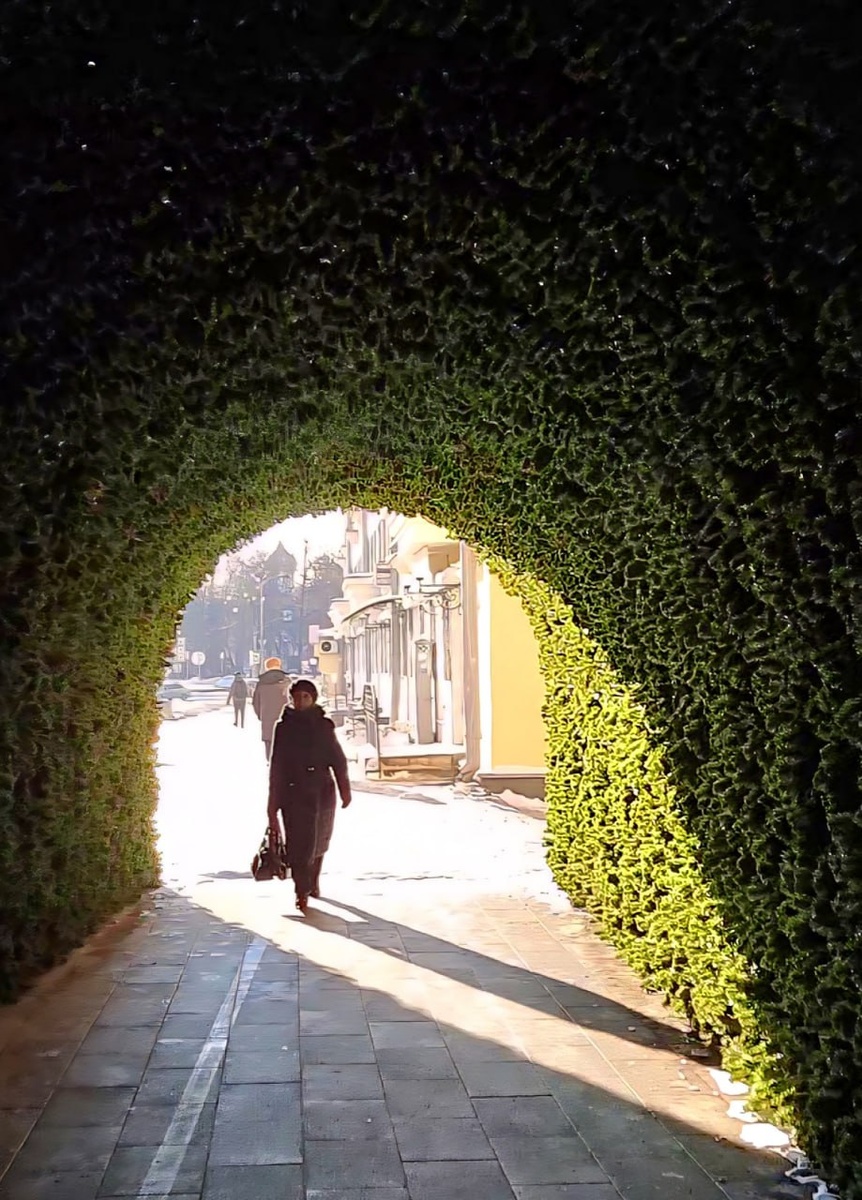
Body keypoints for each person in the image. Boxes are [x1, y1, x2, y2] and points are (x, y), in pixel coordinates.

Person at [267, 679, 351, 914]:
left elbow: (337, 758)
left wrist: (344, 789)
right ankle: (301, 890)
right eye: (296, 697)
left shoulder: (323, 726)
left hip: (322, 791)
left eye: (305, 697)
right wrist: (272, 805)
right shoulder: (284, 728)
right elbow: (277, 766)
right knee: (299, 844)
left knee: (319, 841)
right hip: (293, 793)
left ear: (313, 698)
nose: (300, 701)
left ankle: (313, 881)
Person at [252, 657, 291, 760]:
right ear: (279, 666)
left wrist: (261, 716)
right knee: (286, 744)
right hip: (286, 718)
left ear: (266, 667)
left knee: (269, 744)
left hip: (267, 719)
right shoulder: (287, 682)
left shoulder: (261, 683)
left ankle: (270, 762)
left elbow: (256, 703)